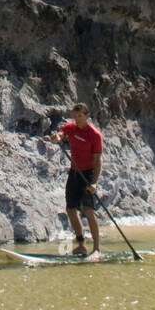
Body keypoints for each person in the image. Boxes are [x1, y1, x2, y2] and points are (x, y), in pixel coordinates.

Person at [49, 103, 103, 258]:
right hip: (74, 173)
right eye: (75, 116)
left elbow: (98, 161)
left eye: (80, 116)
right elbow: (60, 135)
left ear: (87, 117)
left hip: (88, 174)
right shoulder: (71, 128)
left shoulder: (95, 135)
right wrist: (56, 138)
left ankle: (97, 249)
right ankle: (82, 245)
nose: (77, 119)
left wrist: (94, 182)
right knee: (71, 209)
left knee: (88, 210)